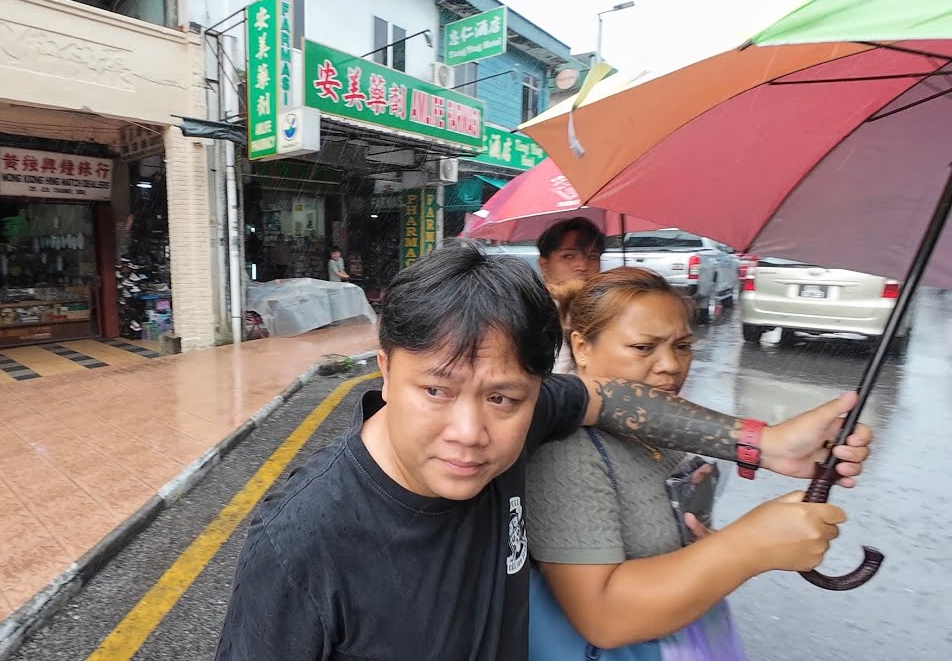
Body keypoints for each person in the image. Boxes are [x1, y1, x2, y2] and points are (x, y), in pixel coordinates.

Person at [213, 241, 871, 661]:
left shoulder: (531, 419)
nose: (470, 432)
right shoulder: (302, 543)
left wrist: (763, 442)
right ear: (384, 371)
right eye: (436, 391)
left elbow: (604, 398)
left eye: (503, 398)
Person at [527, 268, 802, 657]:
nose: (671, 365)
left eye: (683, 346)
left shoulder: (666, 430)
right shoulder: (568, 452)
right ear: (582, 347)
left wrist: (708, 549)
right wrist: (748, 547)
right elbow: (603, 617)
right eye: (644, 348)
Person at [537, 216, 606, 374]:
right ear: (544, 264)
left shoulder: (607, 310)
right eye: (568, 256)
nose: (582, 266)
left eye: (593, 257)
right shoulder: (534, 311)